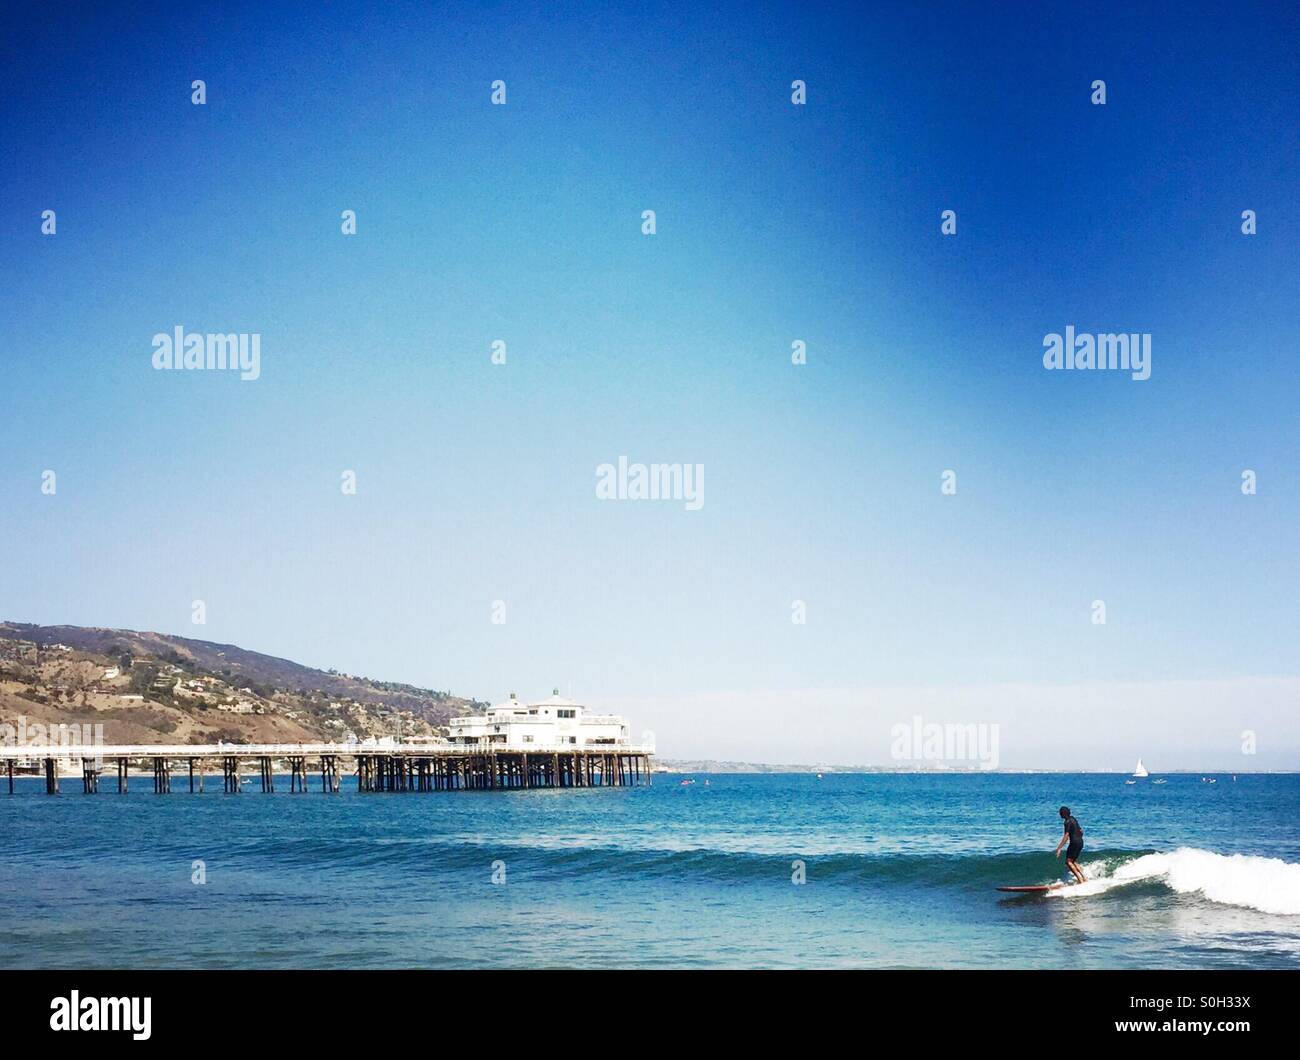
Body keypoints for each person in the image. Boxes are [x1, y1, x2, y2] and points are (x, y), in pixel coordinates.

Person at [1054, 805, 1086, 884]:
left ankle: (1080, 880)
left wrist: (1059, 848)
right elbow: (1081, 831)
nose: (1060, 814)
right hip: (1080, 842)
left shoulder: (1067, 822)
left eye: (1061, 813)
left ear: (1064, 814)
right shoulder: (1073, 819)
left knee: (1068, 862)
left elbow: (1066, 836)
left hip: (1074, 842)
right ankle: (1084, 878)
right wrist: (1079, 838)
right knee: (1073, 861)